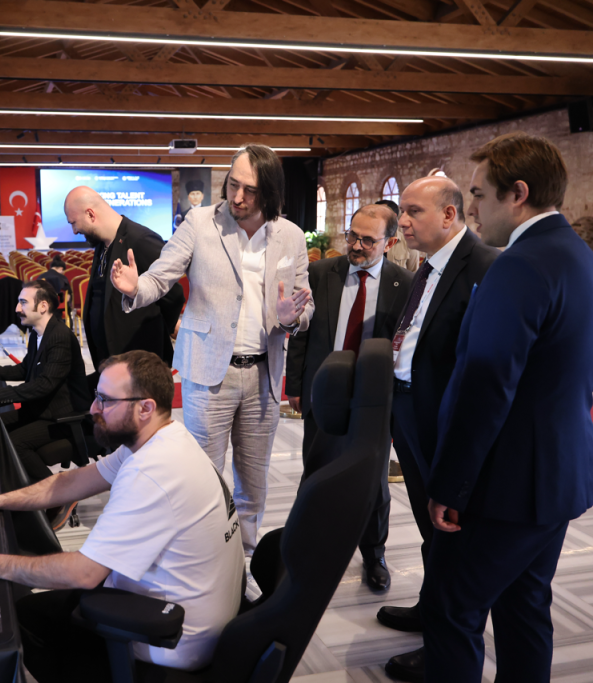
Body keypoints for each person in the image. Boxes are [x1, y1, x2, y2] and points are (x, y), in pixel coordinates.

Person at [419, 133, 593, 682]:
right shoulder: (584, 260)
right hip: (559, 476)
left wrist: (449, 484)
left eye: (480, 195)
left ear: (518, 194)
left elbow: (486, 385)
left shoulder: (520, 265)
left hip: (506, 486)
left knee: (450, 610)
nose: (472, 210)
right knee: (524, 607)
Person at [0, 350, 243, 681]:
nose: (93, 409)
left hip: (166, 639)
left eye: (106, 400)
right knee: (31, 608)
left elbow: (84, 573)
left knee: (19, 621)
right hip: (184, 615)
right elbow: (73, 482)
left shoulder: (153, 472)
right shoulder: (164, 438)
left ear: (145, 408)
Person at [110, 144, 313, 556]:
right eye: (233, 184)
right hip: (208, 372)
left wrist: (293, 318)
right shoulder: (200, 222)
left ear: (270, 191)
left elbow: (303, 304)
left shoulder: (290, 235)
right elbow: (160, 276)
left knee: (253, 482)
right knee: (203, 477)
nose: (237, 197)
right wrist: (135, 289)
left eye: (249, 190)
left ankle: (245, 556)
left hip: (264, 376)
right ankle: (202, 557)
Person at [378, 175, 500, 682]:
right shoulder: (426, 266)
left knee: (450, 534)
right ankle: (431, 608)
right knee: (429, 527)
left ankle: (444, 646)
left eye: (414, 212)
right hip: (410, 412)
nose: (402, 222)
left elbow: (484, 368)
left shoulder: (485, 266)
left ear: (449, 215)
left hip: (445, 422)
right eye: (401, 211)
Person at [285, 204, 412, 592]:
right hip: (324, 391)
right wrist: (295, 385)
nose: (356, 245)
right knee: (316, 473)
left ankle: (374, 555)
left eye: (368, 240)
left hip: (374, 398)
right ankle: (309, 547)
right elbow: (302, 333)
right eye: (352, 235)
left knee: (374, 483)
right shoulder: (321, 273)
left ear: (390, 242)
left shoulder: (405, 284)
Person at [0, 280, 90, 523]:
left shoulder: (59, 337)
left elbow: (45, 384)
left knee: (15, 443)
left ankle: (59, 497)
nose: (17, 309)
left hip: (60, 415)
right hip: (41, 409)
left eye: (23, 303)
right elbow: (25, 370)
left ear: (43, 306)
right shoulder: (38, 334)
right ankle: (19, 492)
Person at [64, 186, 184, 369]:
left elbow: (172, 293)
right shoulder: (101, 243)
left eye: (73, 222)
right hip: (111, 361)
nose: (74, 230)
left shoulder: (140, 240)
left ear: (90, 214)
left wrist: (166, 327)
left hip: (138, 362)